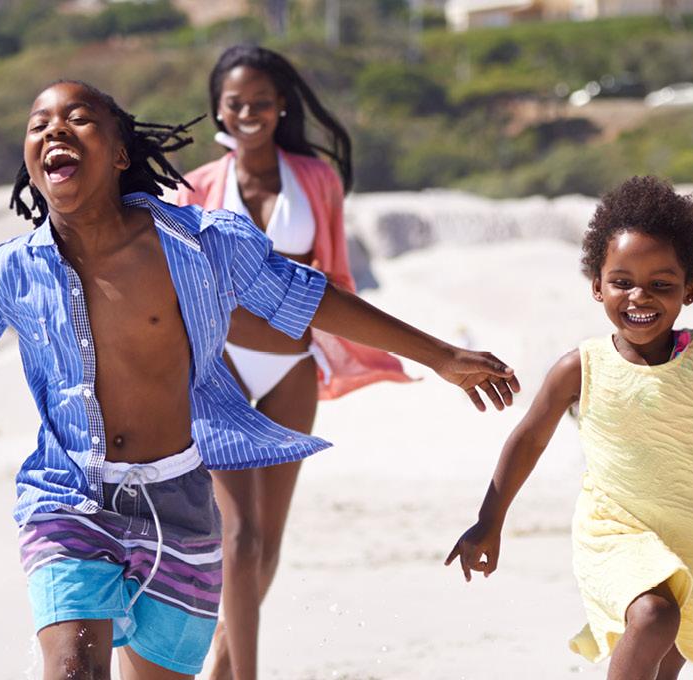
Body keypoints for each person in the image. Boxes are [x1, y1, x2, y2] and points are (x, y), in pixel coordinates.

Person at [0, 80, 520, 680]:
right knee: (71, 670)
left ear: (122, 152)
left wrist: (440, 356)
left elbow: (306, 297)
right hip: (69, 497)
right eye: (39, 123)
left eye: (80, 119)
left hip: (182, 506)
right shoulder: (12, 270)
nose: (55, 130)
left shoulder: (198, 242)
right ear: (30, 159)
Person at [445, 176, 693, 679]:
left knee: (671, 651)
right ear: (597, 285)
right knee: (655, 617)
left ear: (689, 289)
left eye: (661, 284)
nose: (640, 296)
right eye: (622, 281)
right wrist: (489, 520)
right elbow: (528, 440)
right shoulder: (580, 366)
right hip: (614, 528)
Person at [170, 44, 411, 680]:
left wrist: (279, 296)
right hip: (220, 373)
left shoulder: (317, 179)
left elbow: (332, 278)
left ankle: (223, 665)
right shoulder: (197, 189)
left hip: (291, 369)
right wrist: (281, 290)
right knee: (239, 537)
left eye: (260, 102)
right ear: (218, 110)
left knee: (269, 542)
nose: (248, 113)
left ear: (281, 107)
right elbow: (197, 287)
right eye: (234, 103)